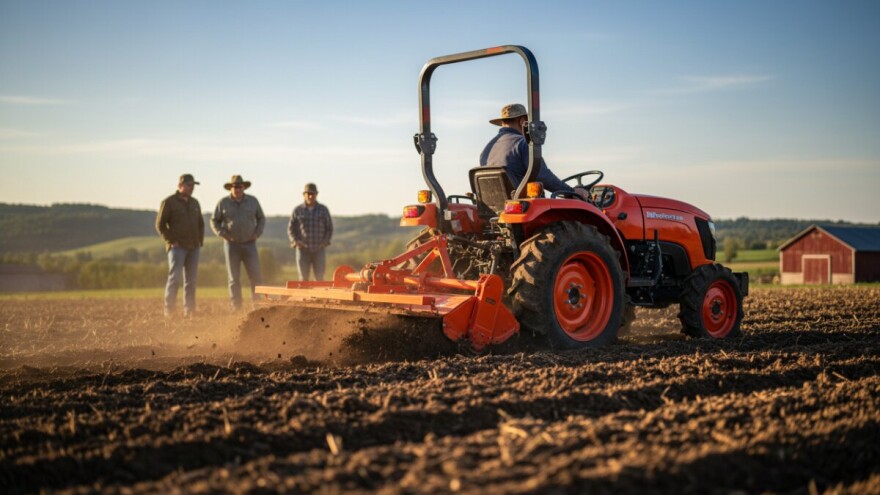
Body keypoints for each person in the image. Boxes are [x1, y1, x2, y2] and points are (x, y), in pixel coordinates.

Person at [479, 103, 586, 197]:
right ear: (522, 121)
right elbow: (542, 175)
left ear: (502, 123)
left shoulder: (486, 150)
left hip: (497, 208)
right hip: (523, 206)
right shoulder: (523, 143)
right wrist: (571, 192)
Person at [211, 175, 266, 311]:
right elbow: (214, 221)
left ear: (244, 187)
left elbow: (261, 218)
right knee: (233, 279)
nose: (237, 189)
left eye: (240, 186)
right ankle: (236, 307)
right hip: (231, 245)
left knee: (256, 276)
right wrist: (222, 234)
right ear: (231, 188)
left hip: (250, 244)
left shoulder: (253, 201)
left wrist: (256, 233)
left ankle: (257, 306)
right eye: (235, 186)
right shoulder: (223, 202)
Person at [156, 174, 204, 318]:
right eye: (189, 185)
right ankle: (169, 311)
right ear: (180, 185)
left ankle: (189, 312)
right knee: (174, 279)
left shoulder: (195, 203)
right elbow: (160, 224)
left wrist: (199, 241)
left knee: (191, 281)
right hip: (177, 247)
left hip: (194, 247)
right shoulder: (169, 202)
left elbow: (200, 223)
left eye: (193, 185)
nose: (191, 188)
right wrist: (171, 240)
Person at [288, 183, 333, 281]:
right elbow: (291, 229)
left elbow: (329, 228)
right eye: (308, 193)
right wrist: (295, 241)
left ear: (316, 195)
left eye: (312, 194)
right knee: (303, 279)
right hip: (302, 249)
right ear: (304, 195)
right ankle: (304, 297)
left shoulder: (323, 210)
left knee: (319, 278)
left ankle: (320, 296)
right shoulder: (297, 210)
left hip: (319, 249)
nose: (310, 196)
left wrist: (325, 242)